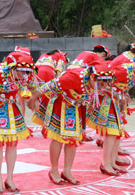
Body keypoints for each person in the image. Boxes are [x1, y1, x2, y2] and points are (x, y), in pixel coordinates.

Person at [29, 52, 103, 185]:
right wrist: (33, 98)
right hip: (60, 104)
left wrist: (89, 104)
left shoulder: (100, 81)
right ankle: (54, 170)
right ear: (92, 76)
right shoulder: (74, 77)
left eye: (105, 82)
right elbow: (48, 86)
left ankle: (67, 171)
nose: (102, 84)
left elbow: (93, 94)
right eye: (100, 81)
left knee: (72, 139)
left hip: (76, 107)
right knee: (58, 138)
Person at [0, 47, 38, 193]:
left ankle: (9, 178)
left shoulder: (27, 72)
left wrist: (34, 100)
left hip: (11, 106)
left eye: (26, 72)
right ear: (12, 67)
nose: (24, 75)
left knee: (12, 143)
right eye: (20, 71)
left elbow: (34, 87)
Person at [88, 56, 135, 176]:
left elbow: (120, 86)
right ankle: (106, 164)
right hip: (107, 101)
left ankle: (112, 161)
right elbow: (102, 80)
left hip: (115, 102)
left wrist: (123, 95)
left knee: (117, 133)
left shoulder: (134, 73)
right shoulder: (123, 71)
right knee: (111, 133)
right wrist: (94, 99)